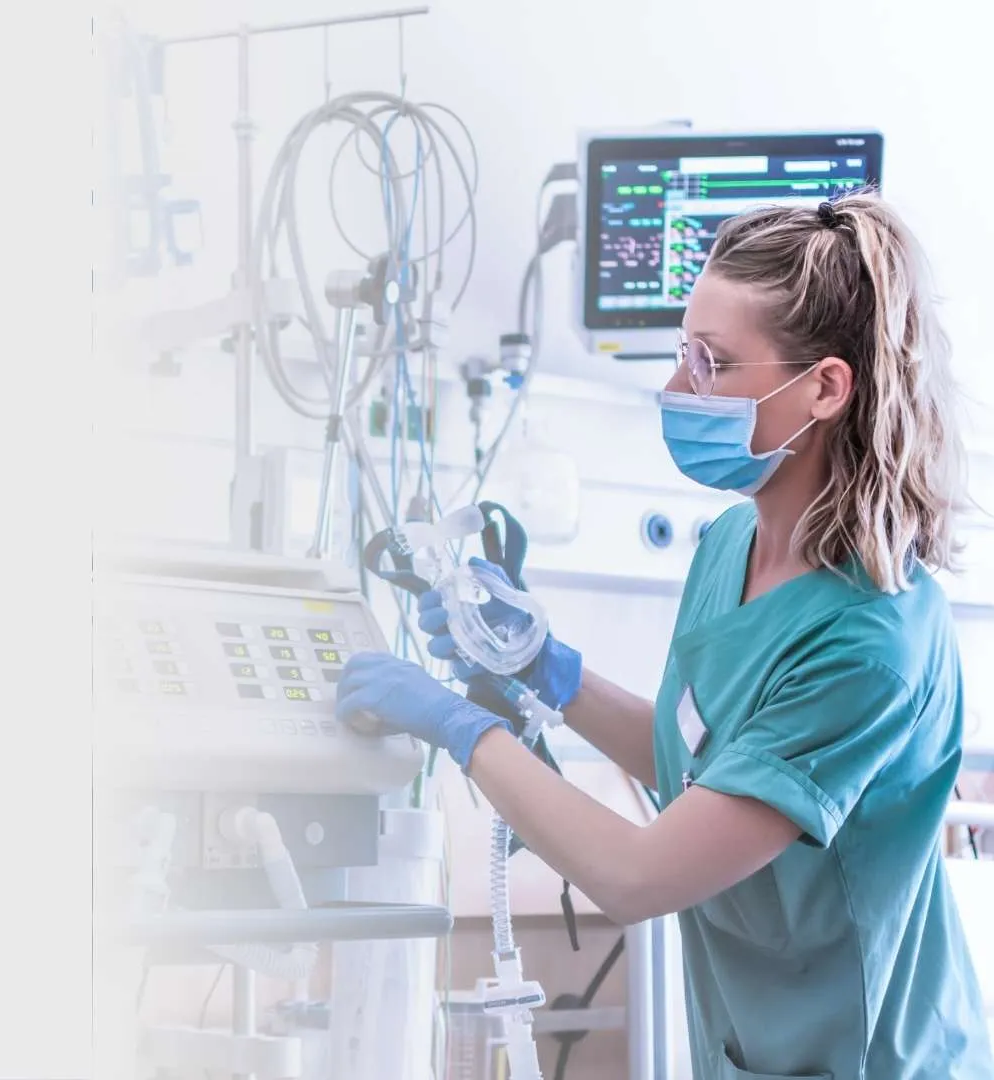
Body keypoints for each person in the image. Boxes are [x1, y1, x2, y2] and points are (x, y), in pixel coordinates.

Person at [335, 190, 994, 1080]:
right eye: (684, 355)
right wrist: (550, 671)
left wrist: (461, 728)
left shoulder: (870, 644)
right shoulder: (730, 544)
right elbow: (702, 767)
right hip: (755, 1046)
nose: (679, 390)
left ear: (826, 388)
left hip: (869, 1057)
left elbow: (638, 875)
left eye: (713, 363)